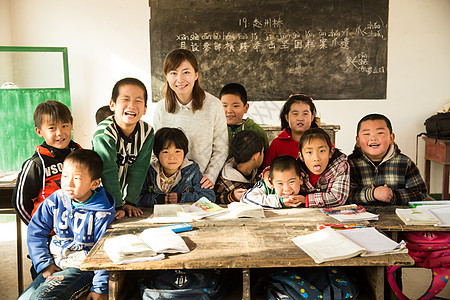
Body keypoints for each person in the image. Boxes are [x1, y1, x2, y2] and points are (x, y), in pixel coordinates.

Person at [19, 149, 115, 300]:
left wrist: (100, 288)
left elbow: (104, 252)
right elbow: (36, 229)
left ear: (94, 183)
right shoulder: (56, 199)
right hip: (55, 262)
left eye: (76, 178)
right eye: (65, 176)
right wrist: (44, 263)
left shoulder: (102, 212)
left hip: (80, 267)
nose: (68, 183)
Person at [152, 49, 228, 189]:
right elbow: (154, 151)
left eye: (186, 72)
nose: (180, 79)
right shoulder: (161, 108)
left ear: (196, 75)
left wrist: (210, 176)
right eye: (173, 73)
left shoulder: (214, 105)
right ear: (167, 77)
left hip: (201, 184)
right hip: (168, 185)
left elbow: (221, 148)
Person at [92, 77, 154, 219]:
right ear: (112, 105)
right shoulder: (104, 133)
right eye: (125, 99)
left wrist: (131, 201)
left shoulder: (147, 132)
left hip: (121, 198)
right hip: (99, 197)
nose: (132, 105)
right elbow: (108, 171)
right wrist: (117, 205)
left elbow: (140, 168)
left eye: (138, 101)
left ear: (144, 109)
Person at [12, 100, 81, 225]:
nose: (60, 133)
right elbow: (20, 202)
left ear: (71, 125)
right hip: (51, 232)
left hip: (80, 226)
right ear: (39, 132)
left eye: (64, 125)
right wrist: (39, 228)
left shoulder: (81, 155)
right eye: (52, 128)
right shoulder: (36, 164)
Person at [348, 113, 427, 204]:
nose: (373, 138)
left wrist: (393, 196)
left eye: (380, 133)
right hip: (360, 216)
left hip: (395, 215)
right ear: (357, 141)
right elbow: (346, 195)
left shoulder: (405, 163)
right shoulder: (350, 164)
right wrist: (372, 194)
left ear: (391, 138)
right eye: (366, 134)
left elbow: (420, 193)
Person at [138, 127, 215, 207]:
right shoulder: (149, 171)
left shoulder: (192, 171)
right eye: (165, 152)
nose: (172, 157)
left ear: (184, 152)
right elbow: (137, 198)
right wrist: (159, 199)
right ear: (157, 154)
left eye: (177, 151)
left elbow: (209, 197)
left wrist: (181, 198)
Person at [297, 127, 350, 207]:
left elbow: (338, 198)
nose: (316, 158)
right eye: (309, 152)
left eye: (322, 151)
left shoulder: (340, 166)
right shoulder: (296, 169)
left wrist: (306, 200)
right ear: (301, 156)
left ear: (331, 152)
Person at [262, 94, 318, 168]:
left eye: (305, 114)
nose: (300, 118)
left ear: (312, 117)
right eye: (295, 114)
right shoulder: (277, 144)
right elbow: (267, 169)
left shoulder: (321, 140)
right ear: (287, 117)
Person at [219, 83, 269, 158]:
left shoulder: (257, 131)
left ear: (246, 108)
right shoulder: (214, 130)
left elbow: (265, 159)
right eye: (224, 106)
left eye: (235, 106)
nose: (229, 111)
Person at [215, 130, 265, 204]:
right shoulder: (225, 182)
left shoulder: (258, 175)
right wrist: (231, 197)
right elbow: (214, 199)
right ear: (256, 156)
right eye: (263, 152)